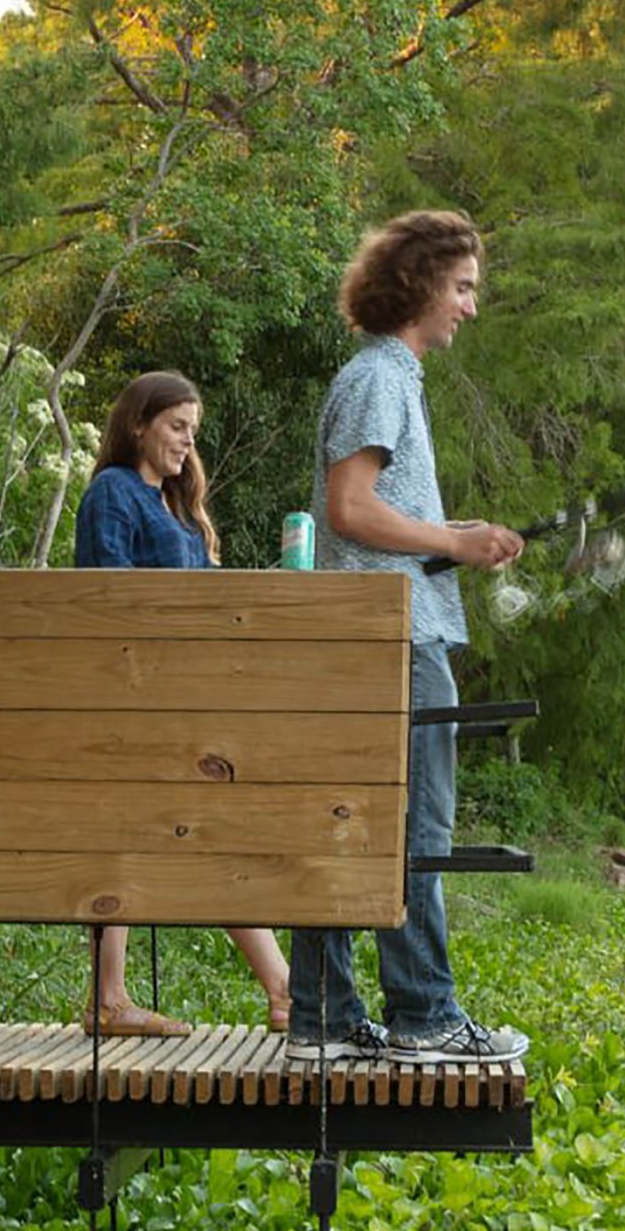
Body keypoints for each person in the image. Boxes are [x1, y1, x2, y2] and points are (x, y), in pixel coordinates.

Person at [286, 209, 529, 1065]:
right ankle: (425, 1017)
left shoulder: (383, 377)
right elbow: (349, 510)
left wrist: (456, 530)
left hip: (372, 638)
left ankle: (319, 1017)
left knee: (350, 823)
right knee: (413, 830)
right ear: (421, 281)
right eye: (462, 287)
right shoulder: (381, 375)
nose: (469, 306)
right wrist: (451, 543)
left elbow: (371, 518)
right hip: (394, 644)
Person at [73, 370, 293, 1038]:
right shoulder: (114, 493)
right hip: (134, 700)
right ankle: (113, 1000)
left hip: (188, 702)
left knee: (200, 833)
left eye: (192, 431)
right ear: (139, 424)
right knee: (159, 834)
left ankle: (281, 990)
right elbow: (108, 600)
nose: (185, 441)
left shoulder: (174, 503)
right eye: (176, 427)